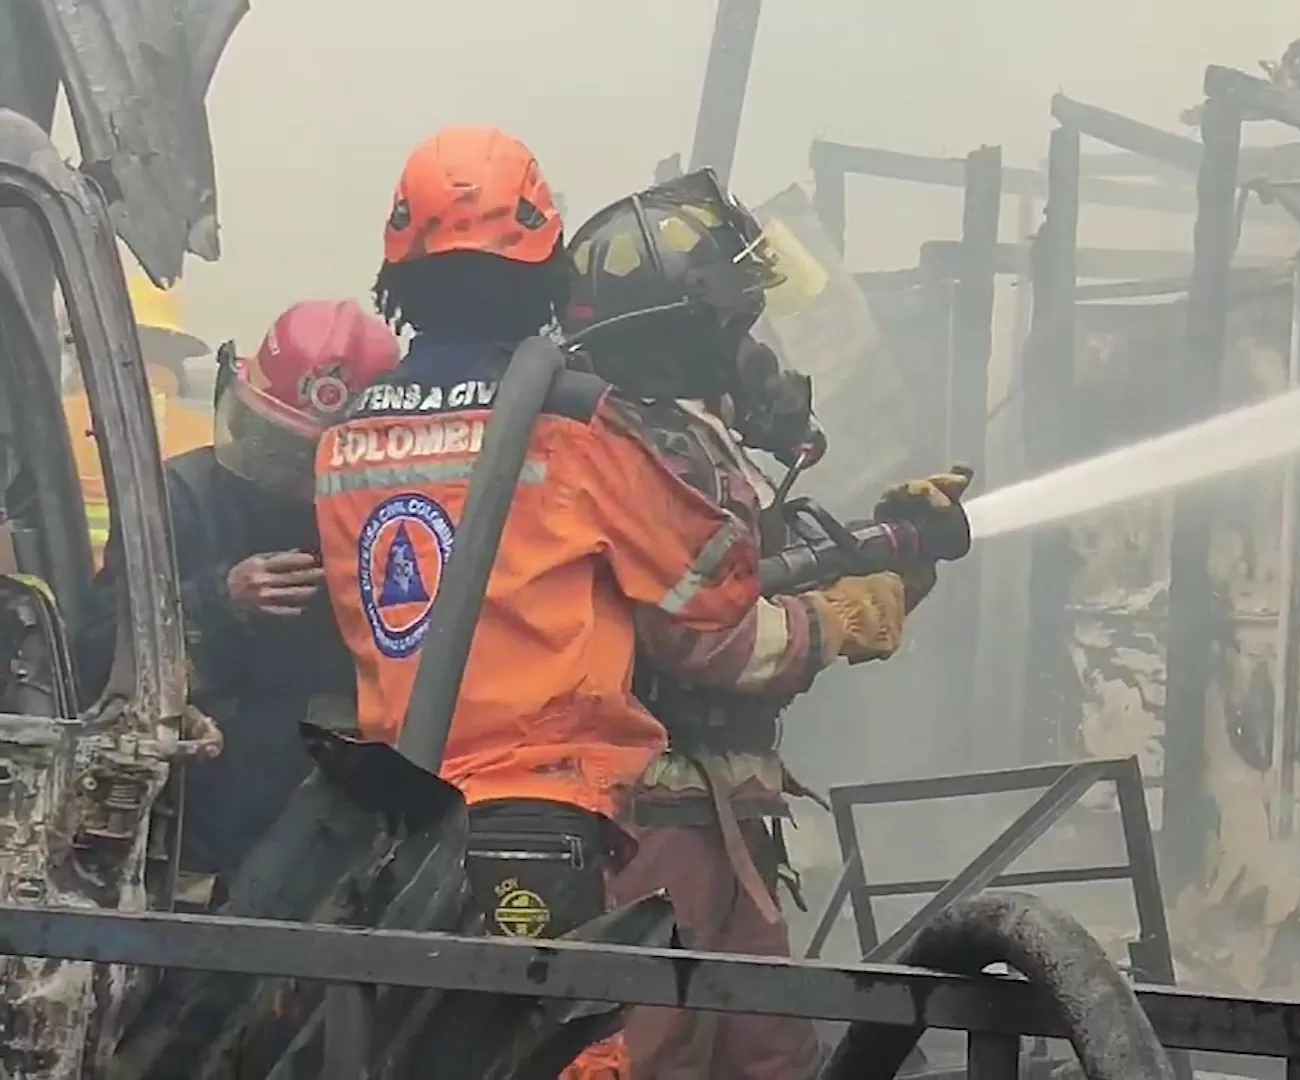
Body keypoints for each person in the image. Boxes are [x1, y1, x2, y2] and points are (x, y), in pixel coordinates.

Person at [311, 127, 908, 1080]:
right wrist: (840, 615)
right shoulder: (580, 430)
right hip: (578, 823)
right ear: (542, 264)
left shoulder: (342, 443)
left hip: (413, 833)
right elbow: (708, 626)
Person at [561, 173, 969, 1080]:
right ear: (682, 333)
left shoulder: (675, 439)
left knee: (767, 1053)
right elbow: (719, 639)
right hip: (654, 822)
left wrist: (894, 564)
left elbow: (748, 578)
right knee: (655, 1055)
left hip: (717, 818)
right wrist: (853, 614)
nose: (753, 350)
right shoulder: (644, 447)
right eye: (738, 326)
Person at [74, 297, 401, 901]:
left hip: (338, 861)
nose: (281, 473)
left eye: (306, 458)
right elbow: (94, 657)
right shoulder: (180, 498)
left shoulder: (390, 525)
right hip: (190, 857)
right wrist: (219, 604)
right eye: (270, 442)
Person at [65, 261, 217, 564]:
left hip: (59, 597)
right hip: (161, 601)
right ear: (175, 356)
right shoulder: (205, 434)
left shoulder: (52, 422)